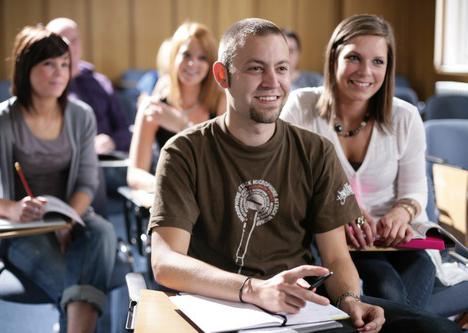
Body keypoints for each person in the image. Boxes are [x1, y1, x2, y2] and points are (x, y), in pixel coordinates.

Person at [148, 18, 461, 333]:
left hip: (300, 308)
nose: (273, 82)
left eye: (281, 68)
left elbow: (337, 257)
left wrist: (350, 299)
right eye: (256, 68)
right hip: (218, 309)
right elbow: (165, 262)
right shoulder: (184, 152)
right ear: (222, 75)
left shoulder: (315, 151)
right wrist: (253, 289)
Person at [281, 14, 436, 310]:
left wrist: (401, 214)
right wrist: (341, 208)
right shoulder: (301, 107)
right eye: (354, 57)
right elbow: (286, 183)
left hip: (391, 238)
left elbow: (416, 191)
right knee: (387, 284)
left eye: (378, 61)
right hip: (326, 238)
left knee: (421, 271)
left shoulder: (405, 116)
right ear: (334, 58)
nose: (366, 71)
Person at [0, 26, 117, 333]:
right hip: (21, 229)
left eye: (64, 64)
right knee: (81, 288)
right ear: (26, 68)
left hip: (72, 219)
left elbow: (88, 183)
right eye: (48, 63)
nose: (59, 72)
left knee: (102, 229)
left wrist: (66, 223)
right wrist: (11, 209)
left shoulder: (81, 115)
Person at [127, 21, 225, 192]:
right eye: (186, 55)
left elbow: (220, 164)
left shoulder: (220, 101)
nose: (193, 63)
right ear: (173, 57)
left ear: (211, 64)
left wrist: (182, 126)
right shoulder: (154, 107)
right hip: (168, 196)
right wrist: (166, 187)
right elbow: (134, 174)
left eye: (202, 58)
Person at [47, 17, 131, 155]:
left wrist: (112, 141)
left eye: (74, 40)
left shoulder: (101, 83)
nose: (69, 47)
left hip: (107, 161)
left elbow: (124, 130)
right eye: (61, 41)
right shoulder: (48, 86)